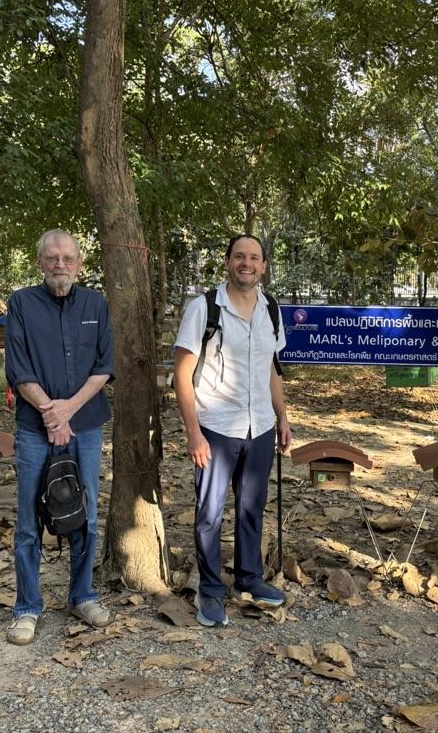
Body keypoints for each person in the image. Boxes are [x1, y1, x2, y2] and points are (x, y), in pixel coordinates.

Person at [172, 233, 292, 627]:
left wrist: (283, 418)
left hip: (260, 428)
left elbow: (272, 370)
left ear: (263, 265)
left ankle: (250, 579)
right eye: (239, 256)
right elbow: (182, 375)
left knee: (250, 508)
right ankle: (210, 591)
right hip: (216, 429)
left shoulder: (271, 309)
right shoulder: (204, 309)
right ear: (227, 262)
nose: (247, 263)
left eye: (254, 258)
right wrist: (194, 433)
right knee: (209, 513)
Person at [4, 229, 116, 645]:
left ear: (80, 264)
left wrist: (67, 410)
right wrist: (51, 413)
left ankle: (82, 595)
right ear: (40, 263)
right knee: (29, 520)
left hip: (85, 427)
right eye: (52, 258)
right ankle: (27, 607)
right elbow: (18, 368)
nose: (60, 265)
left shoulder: (96, 304)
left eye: (68, 258)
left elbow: (104, 367)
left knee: (85, 512)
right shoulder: (21, 304)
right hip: (35, 428)